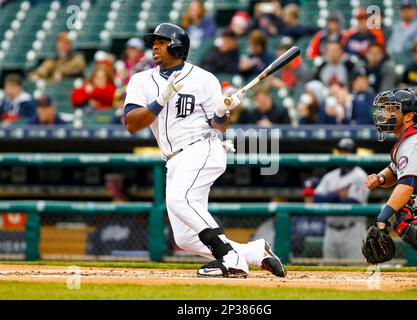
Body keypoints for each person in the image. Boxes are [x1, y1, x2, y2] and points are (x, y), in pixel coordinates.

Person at [123, 23, 286, 278]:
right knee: (186, 238)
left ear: (177, 46)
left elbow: (218, 127)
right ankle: (254, 253)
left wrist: (223, 110)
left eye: (162, 41)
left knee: (180, 200)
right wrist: (160, 101)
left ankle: (231, 259)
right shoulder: (141, 81)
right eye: (154, 41)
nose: (155, 45)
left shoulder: (203, 78)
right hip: (173, 159)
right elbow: (132, 123)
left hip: (202, 148)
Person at [364, 88, 417, 277]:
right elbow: (395, 172)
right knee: (406, 205)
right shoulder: (412, 139)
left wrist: (382, 217)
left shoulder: (412, 143)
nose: (385, 114)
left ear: (409, 116)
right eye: (385, 109)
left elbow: (406, 185)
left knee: (404, 209)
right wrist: (380, 178)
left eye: (392, 110)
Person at [313, 138, 369, 261]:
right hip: (330, 230)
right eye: (341, 151)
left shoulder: (360, 176)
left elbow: (352, 202)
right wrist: (338, 195)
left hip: (353, 230)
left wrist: (328, 197)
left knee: (356, 273)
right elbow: (316, 198)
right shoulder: (330, 176)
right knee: (329, 273)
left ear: (354, 154)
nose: (343, 155)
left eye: (347, 152)